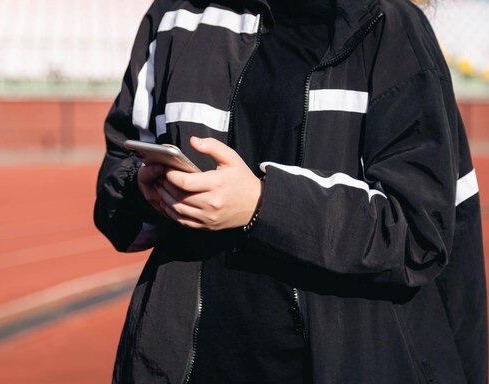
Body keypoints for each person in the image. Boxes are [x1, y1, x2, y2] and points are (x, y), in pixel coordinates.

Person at [94, 0, 488, 382]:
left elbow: (419, 233)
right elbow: (119, 175)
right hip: (191, 366)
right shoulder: (173, 17)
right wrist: (144, 190)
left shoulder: (392, 26)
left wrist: (262, 204)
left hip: (348, 362)